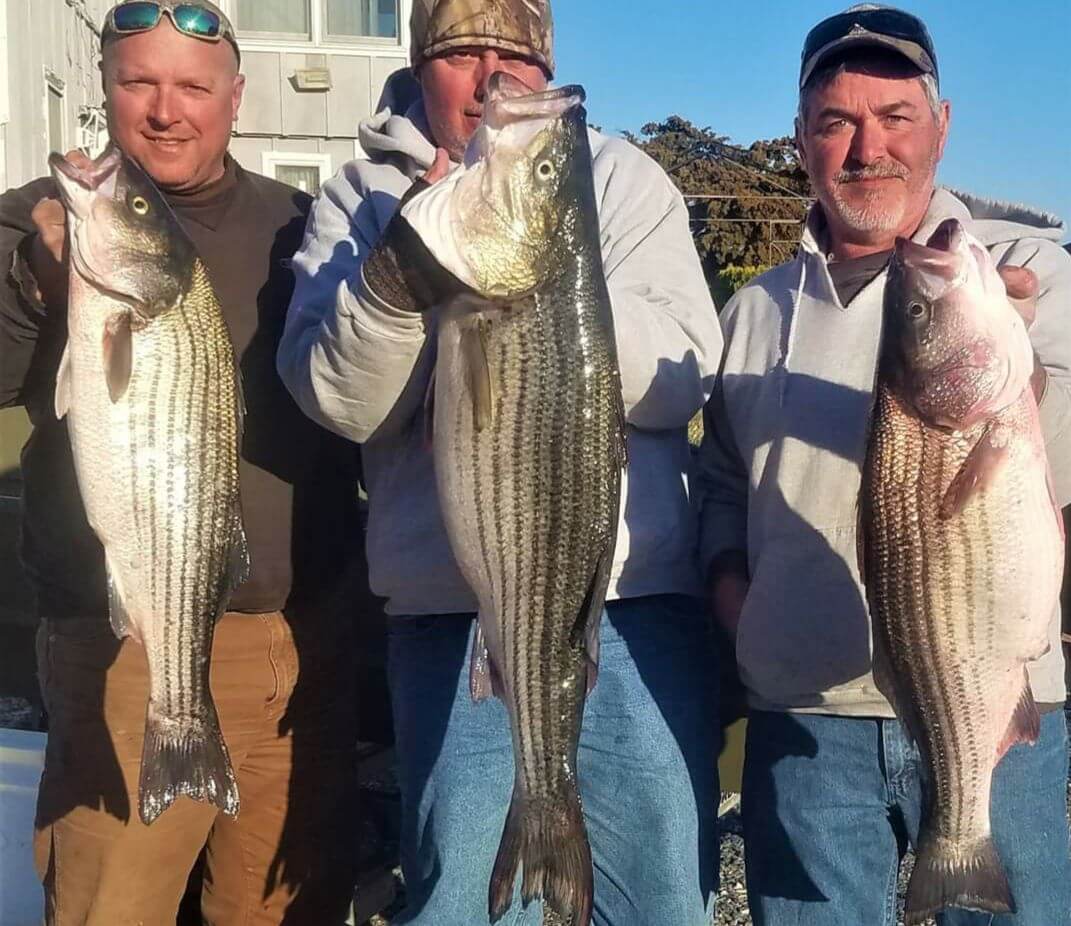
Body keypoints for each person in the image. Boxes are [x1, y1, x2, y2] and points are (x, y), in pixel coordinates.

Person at [276, 1, 723, 922]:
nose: (491, 78)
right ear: (418, 66)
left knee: (661, 901)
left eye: (515, 55)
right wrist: (401, 277)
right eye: (461, 54)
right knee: (464, 904)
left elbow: (684, 372)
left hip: (635, 612)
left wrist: (554, 273)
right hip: (449, 616)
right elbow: (341, 401)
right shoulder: (357, 199)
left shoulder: (624, 179)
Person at [699, 5, 1071, 925]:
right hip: (808, 713)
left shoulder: (1023, 267)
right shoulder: (751, 312)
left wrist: (1029, 350)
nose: (869, 148)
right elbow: (715, 489)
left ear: (940, 127)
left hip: (997, 699)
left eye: (896, 117)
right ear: (801, 141)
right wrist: (739, 608)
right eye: (837, 122)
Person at [0, 2, 362, 923]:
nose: (166, 110)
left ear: (234, 98)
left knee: (278, 907)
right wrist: (37, 285)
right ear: (106, 91)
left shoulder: (302, 230)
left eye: (193, 87)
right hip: (120, 645)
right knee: (109, 906)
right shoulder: (31, 225)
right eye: (139, 82)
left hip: (294, 647)